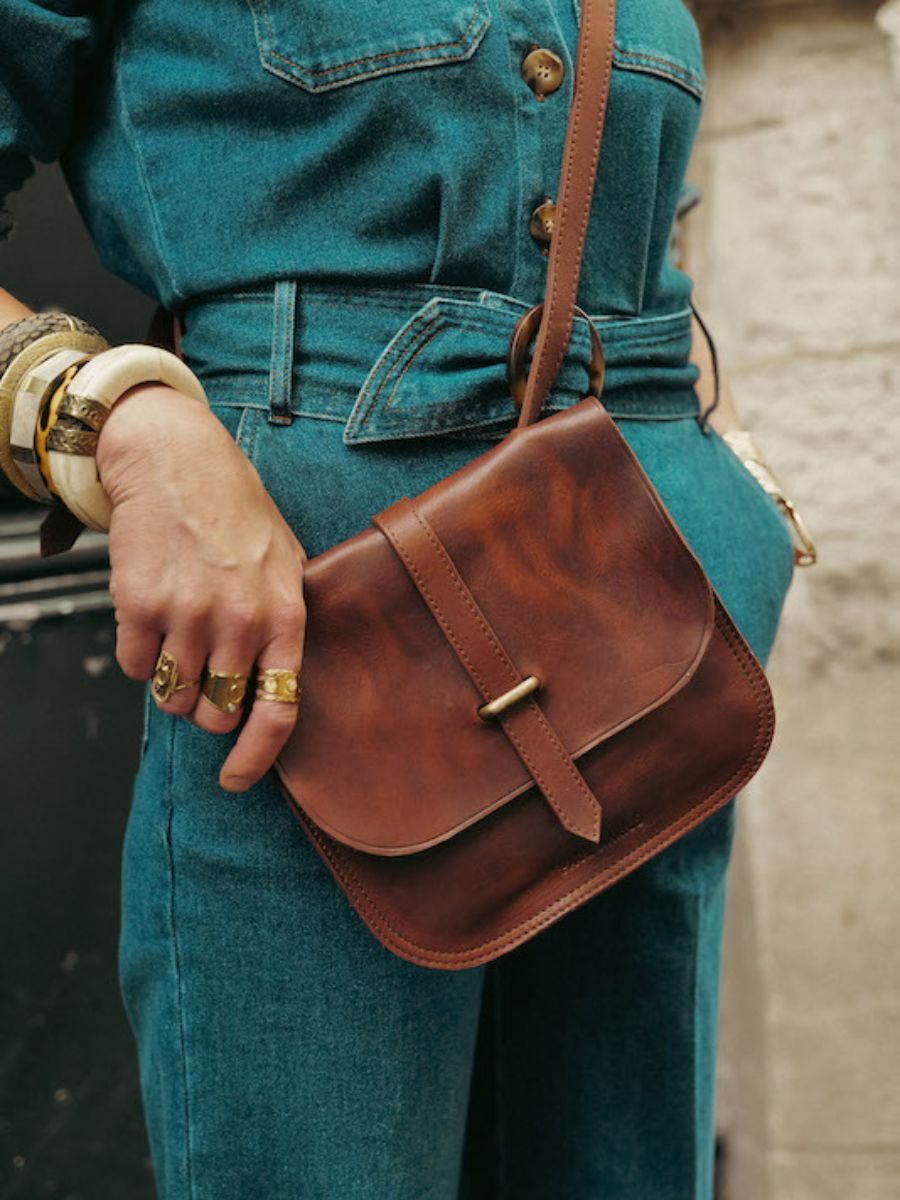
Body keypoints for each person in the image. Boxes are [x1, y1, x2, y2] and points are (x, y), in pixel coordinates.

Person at [0, 1, 808, 1196]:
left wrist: (735, 492)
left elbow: (633, 209)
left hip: (647, 644)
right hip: (312, 650)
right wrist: (116, 419)